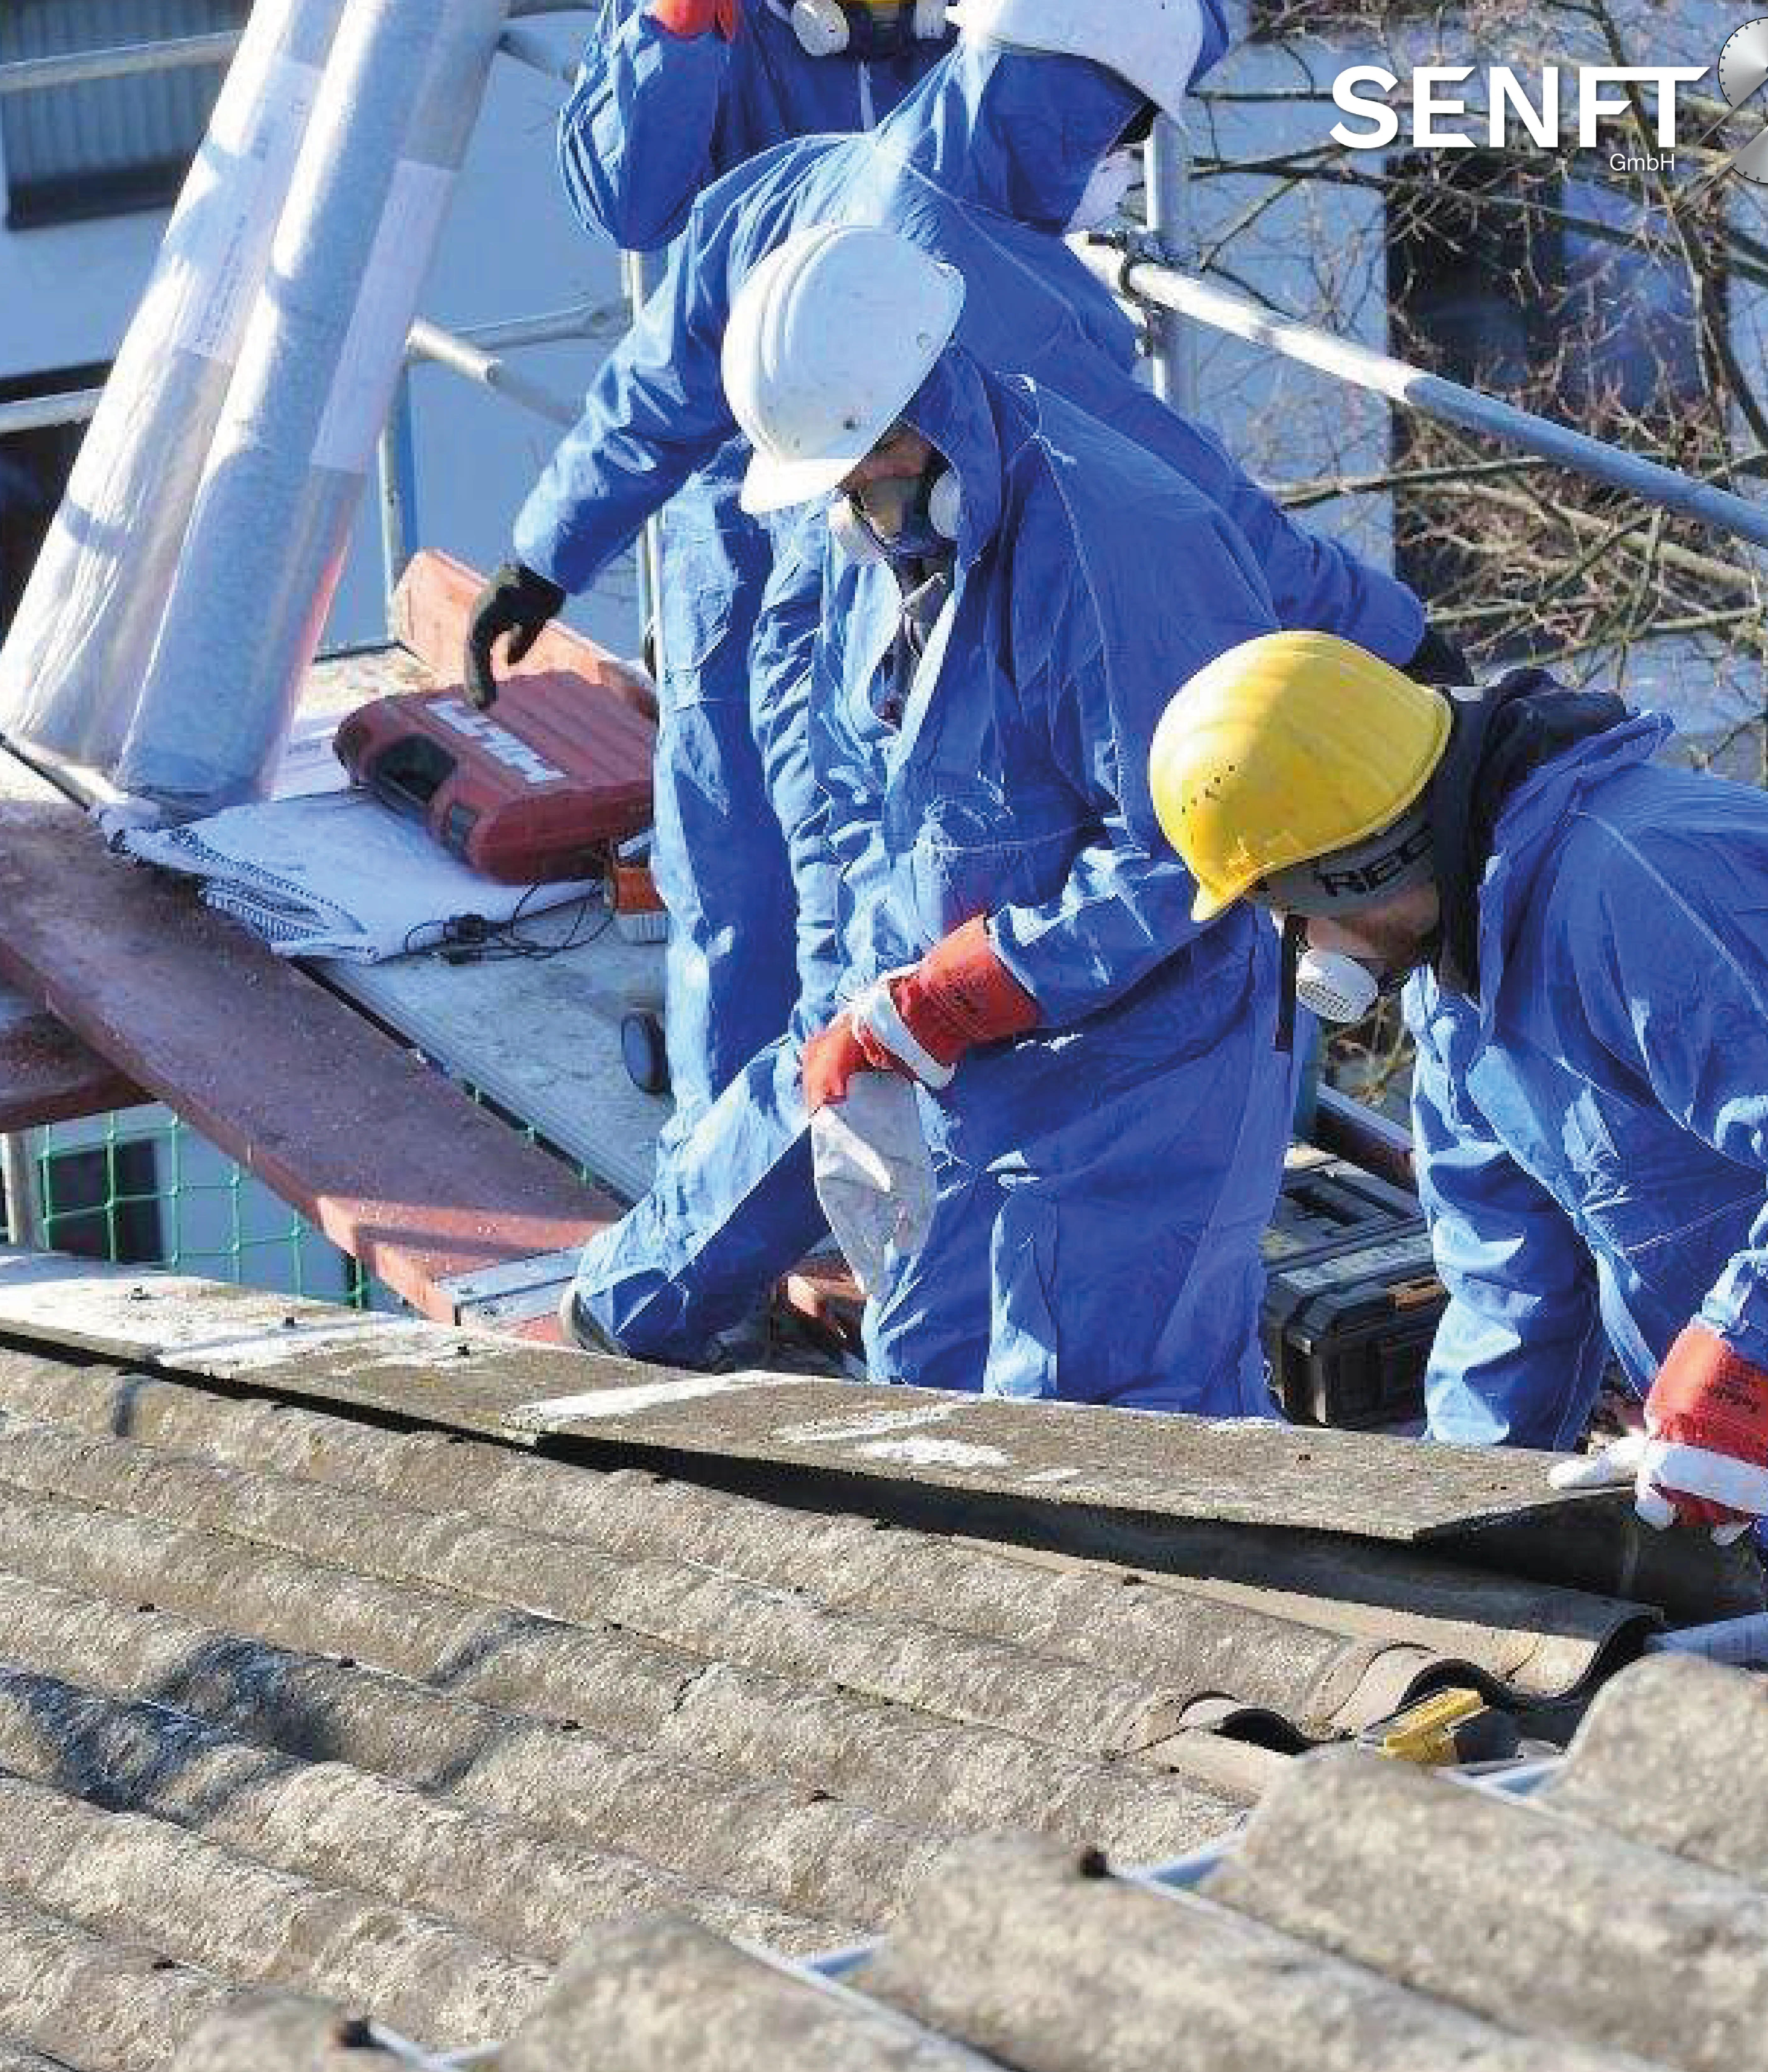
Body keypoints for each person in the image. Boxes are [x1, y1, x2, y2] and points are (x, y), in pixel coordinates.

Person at [478, 6, 1456, 1367]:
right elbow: (1225, 516)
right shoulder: (986, 328)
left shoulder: (832, 200)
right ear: (1064, 105)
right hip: (891, 702)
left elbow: (661, 365)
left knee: (809, 992)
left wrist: (545, 549)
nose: (1112, 162)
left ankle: (675, 1276)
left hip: (882, 735)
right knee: (827, 1006)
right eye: (1115, 131)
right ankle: (671, 1280)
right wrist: (1396, 634)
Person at [706, 220, 1302, 1409]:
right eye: (840, 474)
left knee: (1110, 1434)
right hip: (964, 1062)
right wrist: (866, 1008)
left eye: (872, 456)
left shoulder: (1116, 544)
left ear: (930, 386)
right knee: (928, 1385)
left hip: (1143, 1067)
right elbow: (861, 798)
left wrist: (953, 991)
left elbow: (1195, 847)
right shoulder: (876, 536)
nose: (863, 492)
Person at [1146, 628, 1768, 1597]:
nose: (1296, 942)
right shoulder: (1457, 992)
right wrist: (1449, 1518)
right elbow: (1511, 1291)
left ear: (1351, 865)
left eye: (1285, 905)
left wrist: (1748, 1364)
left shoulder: (1642, 890)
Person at [469, 0, 959, 1194]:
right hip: (747, 497)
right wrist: (549, 553)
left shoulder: (1000, 52)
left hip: (937, 486)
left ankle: (913, 1154)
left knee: (931, 841)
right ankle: (727, 1181)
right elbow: (630, 207)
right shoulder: (719, 35)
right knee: (733, 843)